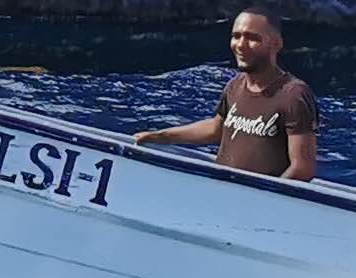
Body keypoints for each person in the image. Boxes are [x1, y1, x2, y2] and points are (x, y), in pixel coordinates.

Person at [132, 10, 319, 183]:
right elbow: (217, 128)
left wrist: (265, 200)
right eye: (236, 36)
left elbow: (303, 168)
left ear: (276, 44)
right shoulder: (235, 85)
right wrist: (160, 136)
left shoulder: (294, 95)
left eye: (253, 38)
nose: (241, 45)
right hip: (222, 195)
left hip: (256, 208)